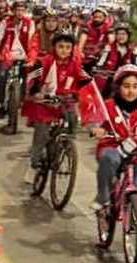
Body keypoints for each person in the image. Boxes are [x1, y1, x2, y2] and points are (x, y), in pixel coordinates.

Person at [88, 65, 137, 234]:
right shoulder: (108, 105)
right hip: (112, 148)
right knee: (108, 160)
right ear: (117, 87)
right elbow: (95, 119)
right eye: (126, 86)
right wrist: (96, 128)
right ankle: (103, 197)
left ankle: (134, 216)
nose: (131, 91)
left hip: (135, 157)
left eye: (135, 86)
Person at [21, 30, 91, 181]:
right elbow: (32, 78)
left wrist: (79, 93)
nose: (64, 50)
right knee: (41, 135)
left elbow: (86, 80)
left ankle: (67, 147)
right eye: (61, 46)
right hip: (45, 103)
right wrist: (36, 93)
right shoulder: (45, 62)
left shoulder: (75, 64)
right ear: (54, 47)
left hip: (64, 103)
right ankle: (33, 165)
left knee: (73, 121)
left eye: (68, 47)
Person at [0, 0, 35, 119]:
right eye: (18, 10)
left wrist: (31, 58)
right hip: (6, 56)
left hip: (23, 57)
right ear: (13, 11)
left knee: (27, 81)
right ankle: (2, 104)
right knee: (2, 79)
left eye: (22, 10)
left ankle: (22, 101)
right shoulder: (6, 22)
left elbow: (32, 42)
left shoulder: (30, 23)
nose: (20, 13)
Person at [94, 23, 137, 98]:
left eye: (123, 34)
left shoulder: (133, 48)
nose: (120, 36)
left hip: (125, 79)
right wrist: (98, 69)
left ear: (128, 36)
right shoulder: (109, 47)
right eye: (118, 34)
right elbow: (101, 61)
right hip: (109, 78)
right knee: (103, 92)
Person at [78, 7, 113, 73]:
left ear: (105, 18)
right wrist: (80, 53)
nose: (97, 19)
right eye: (95, 17)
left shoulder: (108, 28)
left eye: (100, 17)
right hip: (86, 58)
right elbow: (81, 42)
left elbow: (112, 41)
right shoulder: (88, 27)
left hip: (100, 59)